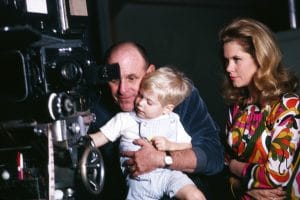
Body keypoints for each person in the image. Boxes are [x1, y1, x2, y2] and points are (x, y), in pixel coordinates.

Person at [87, 41, 224, 199]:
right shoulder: (96, 109)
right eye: (114, 80)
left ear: (150, 73)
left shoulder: (178, 97)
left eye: (132, 78)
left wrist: (162, 158)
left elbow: (214, 157)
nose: (122, 90)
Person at [219, 18, 300, 200]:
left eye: (236, 59)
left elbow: (275, 176)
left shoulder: (289, 107)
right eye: (226, 60)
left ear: (261, 58)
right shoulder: (237, 107)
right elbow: (220, 167)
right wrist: (246, 188)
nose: (229, 68)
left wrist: (234, 166)